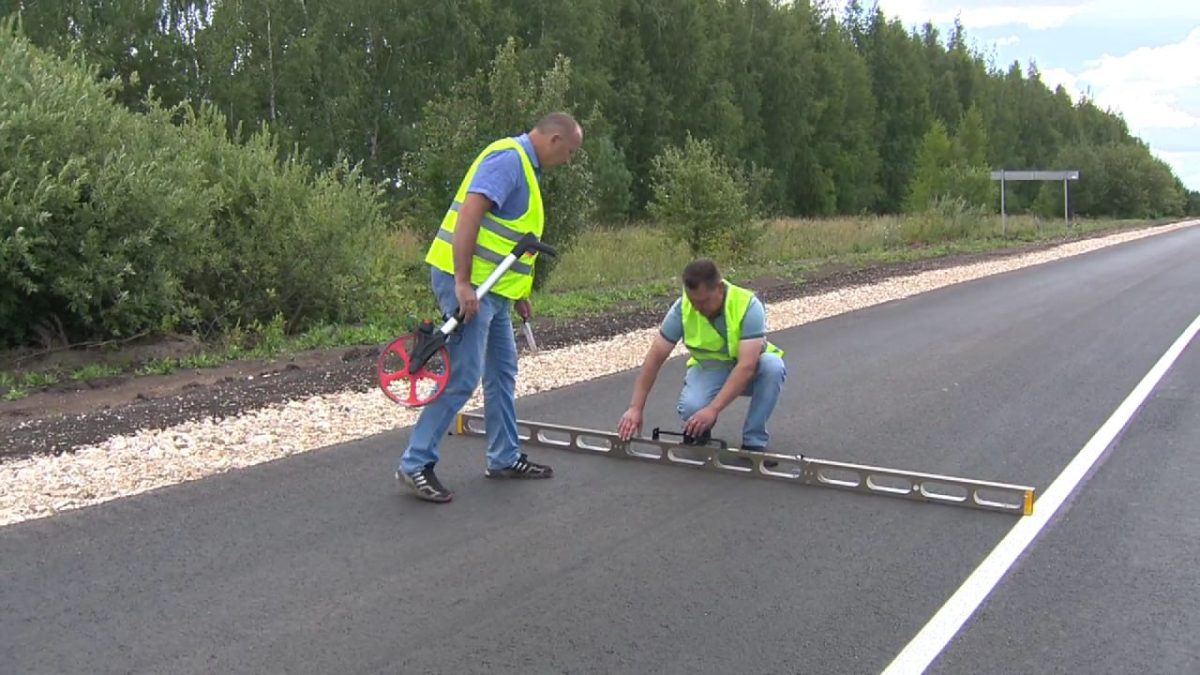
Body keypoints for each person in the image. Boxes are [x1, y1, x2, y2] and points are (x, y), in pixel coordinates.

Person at [397, 112, 584, 503]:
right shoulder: (509, 160)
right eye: (568, 152)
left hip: (494, 291)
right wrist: (463, 282)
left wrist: (518, 293)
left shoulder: (526, 169)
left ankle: (504, 456)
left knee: (501, 371)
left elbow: (510, 241)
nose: (567, 161)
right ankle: (415, 463)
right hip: (468, 286)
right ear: (552, 140)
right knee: (464, 375)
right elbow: (470, 214)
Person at [617, 259, 787, 463]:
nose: (698, 308)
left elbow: (747, 366)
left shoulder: (748, 306)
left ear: (720, 288)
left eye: (704, 301)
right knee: (692, 408)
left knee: (773, 366)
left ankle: (754, 442)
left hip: (747, 370)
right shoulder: (682, 308)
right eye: (694, 301)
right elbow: (654, 359)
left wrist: (713, 409)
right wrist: (635, 408)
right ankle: (700, 428)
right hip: (710, 369)